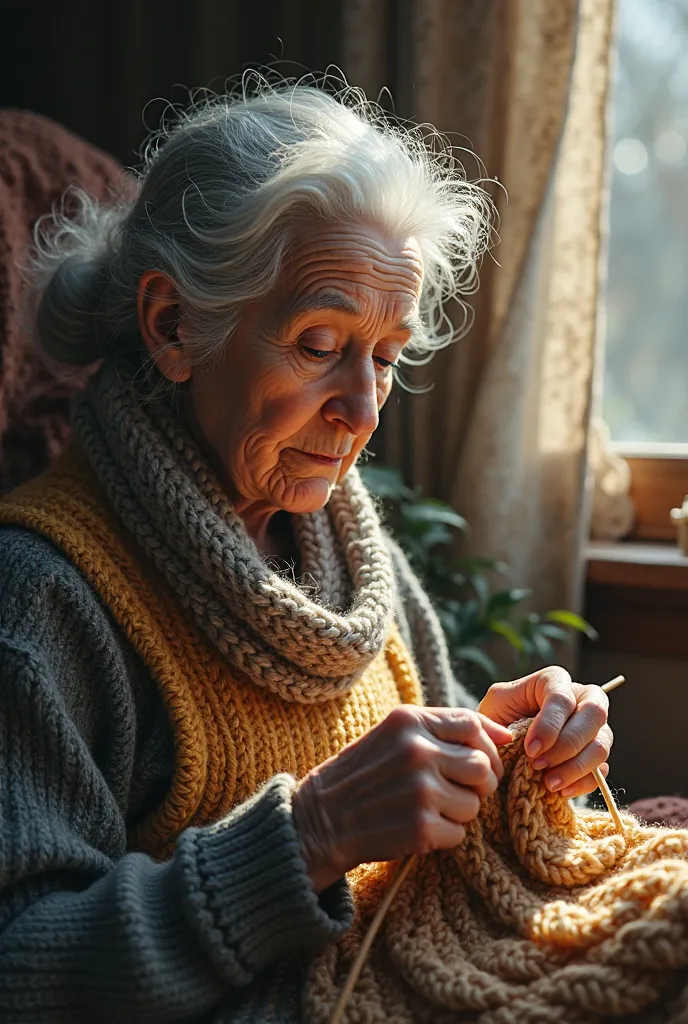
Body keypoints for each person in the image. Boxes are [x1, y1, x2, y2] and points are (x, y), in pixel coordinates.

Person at [0, 76, 613, 1023]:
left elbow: (430, 800)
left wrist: (509, 759)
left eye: (384, 356)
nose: (363, 411)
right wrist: (311, 833)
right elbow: (20, 966)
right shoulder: (44, 597)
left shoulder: (349, 548)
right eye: (319, 341)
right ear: (174, 327)